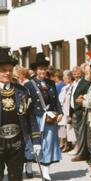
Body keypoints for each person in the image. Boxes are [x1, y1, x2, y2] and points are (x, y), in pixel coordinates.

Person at [24, 52, 63, 181]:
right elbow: (27, 106)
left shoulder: (51, 83)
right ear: (35, 70)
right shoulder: (29, 85)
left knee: (48, 144)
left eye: (44, 68)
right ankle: (29, 165)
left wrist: (60, 113)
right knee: (33, 144)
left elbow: (56, 100)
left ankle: (45, 172)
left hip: (49, 119)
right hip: (35, 118)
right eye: (40, 69)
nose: (42, 71)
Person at [0, 47, 33, 180]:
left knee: (16, 177)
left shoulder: (21, 90)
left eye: (9, 70)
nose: (7, 73)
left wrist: (35, 140)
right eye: (3, 70)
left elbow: (30, 117)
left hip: (17, 143)